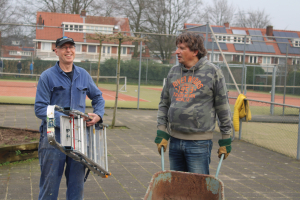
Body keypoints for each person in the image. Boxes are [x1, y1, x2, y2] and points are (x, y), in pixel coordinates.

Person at [35, 36, 105, 200]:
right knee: (49, 188)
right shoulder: (47, 76)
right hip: (53, 139)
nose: (68, 50)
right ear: (56, 51)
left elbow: (98, 97)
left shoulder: (83, 75)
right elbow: (40, 108)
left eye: (71, 47)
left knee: (76, 188)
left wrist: (98, 114)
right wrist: (65, 120)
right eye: (64, 47)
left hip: (78, 138)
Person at [155, 32, 232, 175]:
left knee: (197, 189)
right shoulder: (173, 72)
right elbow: (164, 103)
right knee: (177, 189)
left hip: (199, 144)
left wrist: (226, 138)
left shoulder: (213, 72)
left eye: (182, 48)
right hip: (175, 141)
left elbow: (223, 107)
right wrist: (161, 130)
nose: (177, 52)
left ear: (195, 51)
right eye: (177, 48)